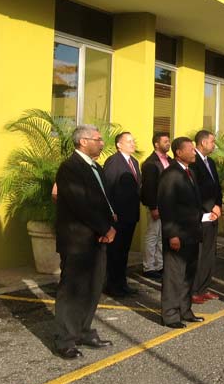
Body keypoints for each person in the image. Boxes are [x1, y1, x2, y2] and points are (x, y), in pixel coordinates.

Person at [53, 124, 116, 359]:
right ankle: (66, 340)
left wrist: (110, 224)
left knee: (93, 286)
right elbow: (80, 204)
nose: (102, 143)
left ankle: (84, 330)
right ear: (83, 141)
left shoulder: (95, 167)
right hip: (78, 240)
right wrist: (104, 227)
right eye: (98, 139)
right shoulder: (70, 168)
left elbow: (101, 201)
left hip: (98, 238)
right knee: (72, 290)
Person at [157, 137, 209, 328]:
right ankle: (170, 315)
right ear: (179, 152)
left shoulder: (190, 172)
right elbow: (167, 206)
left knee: (188, 275)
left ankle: (185, 310)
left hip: (192, 233)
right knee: (174, 275)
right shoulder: (171, 174)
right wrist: (172, 234)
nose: (195, 152)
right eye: (191, 150)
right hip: (178, 234)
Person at [103, 131, 141, 297]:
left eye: (133, 141)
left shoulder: (134, 162)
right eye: (129, 141)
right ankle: (112, 285)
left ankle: (122, 283)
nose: (133, 144)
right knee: (115, 252)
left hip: (131, 214)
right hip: (118, 215)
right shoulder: (113, 162)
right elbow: (108, 188)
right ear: (119, 144)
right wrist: (111, 212)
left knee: (124, 251)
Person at [190, 130, 222, 304]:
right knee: (200, 253)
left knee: (210, 253)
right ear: (202, 142)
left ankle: (204, 287)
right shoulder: (193, 161)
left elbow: (217, 186)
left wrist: (219, 206)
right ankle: (194, 289)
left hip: (213, 214)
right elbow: (196, 189)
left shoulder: (210, 161)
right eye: (212, 141)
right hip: (200, 214)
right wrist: (210, 207)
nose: (214, 145)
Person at [140, 133, 171, 280]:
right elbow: (149, 187)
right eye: (165, 141)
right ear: (156, 144)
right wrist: (153, 207)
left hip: (168, 205)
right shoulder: (150, 163)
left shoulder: (170, 160)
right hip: (156, 205)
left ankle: (159, 265)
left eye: (169, 141)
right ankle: (148, 267)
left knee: (162, 237)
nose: (168, 143)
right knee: (152, 236)